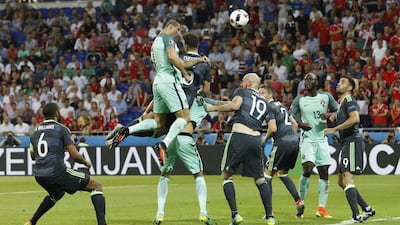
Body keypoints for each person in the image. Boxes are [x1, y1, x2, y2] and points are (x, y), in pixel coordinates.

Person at [106, 17, 208, 166]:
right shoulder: (168, 38)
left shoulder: (156, 42)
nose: (178, 33)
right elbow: (174, 59)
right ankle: (164, 145)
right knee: (184, 118)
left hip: (158, 81)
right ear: (171, 26)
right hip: (169, 81)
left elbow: (179, 61)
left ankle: (126, 131)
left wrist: (199, 60)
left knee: (159, 123)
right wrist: (185, 74)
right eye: (178, 30)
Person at [204, 73, 276, 225]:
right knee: (260, 178)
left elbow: (234, 106)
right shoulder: (265, 102)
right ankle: (270, 217)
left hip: (240, 137)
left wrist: (212, 108)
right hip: (256, 139)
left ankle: (235, 215)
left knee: (226, 175)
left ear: (249, 83)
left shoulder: (242, 92)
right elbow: (250, 116)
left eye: (243, 82)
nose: (241, 84)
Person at [24, 103, 108, 225]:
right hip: (56, 172)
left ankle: (31, 222)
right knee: (96, 186)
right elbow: (74, 155)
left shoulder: (35, 132)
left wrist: (56, 148)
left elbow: (32, 156)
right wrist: (85, 162)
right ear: (57, 113)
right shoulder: (62, 129)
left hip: (39, 174)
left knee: (57, 194)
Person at [324, 76, 375, 223]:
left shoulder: (349, 101)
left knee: (348, 178)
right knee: (342, 182)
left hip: (352, 142)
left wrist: (334, 128)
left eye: (343, 82)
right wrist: (331, 116)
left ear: (350, 88)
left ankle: (356, 215)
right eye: (339, 81)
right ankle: (367, 209)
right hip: (346, 143)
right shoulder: (342, 104)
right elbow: (344, 116)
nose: (339, 83)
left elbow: (355, 119)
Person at [289, 72, 338, 218]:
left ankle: (321, 208)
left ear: (317, 82)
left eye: (310, 79)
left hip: (322, 138)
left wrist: (329, 116)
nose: (307, 81)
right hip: (308, 139)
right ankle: (301, 203)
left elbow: (338, 110)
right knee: (308, 169)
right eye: (306, 79)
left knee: (324, 171)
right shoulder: (299, 100)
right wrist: (301, 124)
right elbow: (292, 115)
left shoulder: (326, 97)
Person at [259, 85, 305, 218]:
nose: (260, 96)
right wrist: (291, 137)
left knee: (267, 174)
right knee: (283, 173)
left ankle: (269, 211)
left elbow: (272, 128)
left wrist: (264, 140)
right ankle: (299, 201)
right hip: (294, 141)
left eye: (262, 93)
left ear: (269, 95)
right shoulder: (282, 106)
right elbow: (295, 124)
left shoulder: (269, 107)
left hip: (282, 143)